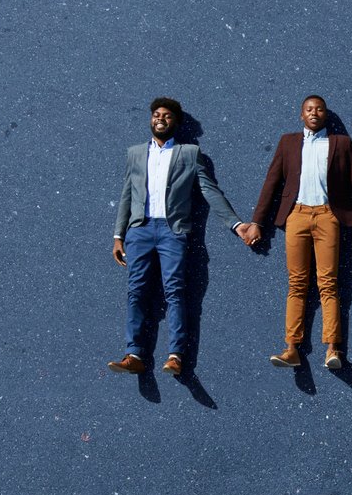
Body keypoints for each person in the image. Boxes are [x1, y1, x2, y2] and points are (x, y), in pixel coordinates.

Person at [108, 97, 257, 376]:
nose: (160, 118)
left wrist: (236, 225)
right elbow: (127, 194)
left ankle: (175, 355)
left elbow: (209, 190)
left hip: (172, 231)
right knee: (136, 292)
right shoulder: (135, 153)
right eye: (156, 114)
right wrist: (118, 235)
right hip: (139, 231)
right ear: (151, 119)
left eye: (166, 115)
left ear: (174, 121)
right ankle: (133, 354)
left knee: (175, 292)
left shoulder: (189, 153)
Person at [250, 94, 352, 371]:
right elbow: (271, 183)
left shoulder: (340, 144)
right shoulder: (288, 142)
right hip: (296, 216)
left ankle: (332, 349)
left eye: (319, 109)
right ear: (301, 114)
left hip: (328, 216)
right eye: (309, 109)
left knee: (328, 283)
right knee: (297, 283)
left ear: (325, 114)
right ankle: (291, 348)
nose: (314, 113)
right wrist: (257, 221)